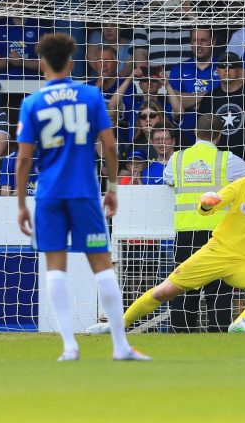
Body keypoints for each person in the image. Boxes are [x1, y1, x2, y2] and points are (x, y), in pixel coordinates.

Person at [88, 147, 245, 336]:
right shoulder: (243, 185)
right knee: (163, 292)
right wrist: (206, 203)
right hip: (216, 252)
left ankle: (241, 322)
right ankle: (116, 325)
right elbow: (211, 206)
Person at [16, 32, 149, 362]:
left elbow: (23, 159)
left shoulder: (32, 103)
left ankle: (69, 346)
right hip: (84, 192)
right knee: (102, 267)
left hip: (49, 195)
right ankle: (120, 346)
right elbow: (111, 146)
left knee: (55, 268)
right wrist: (114, 188)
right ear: (72, 63)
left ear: (43, 64)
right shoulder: (90, 96)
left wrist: (20, 204)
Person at [162, 114, 245, 332]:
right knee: (219, 288)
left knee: (183, 284)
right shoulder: (227, 160)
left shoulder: (177, 158)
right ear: (219, 135)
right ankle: (219, 330)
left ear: (195, 133)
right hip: (218, 234)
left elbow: (168, 178)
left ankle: (181, 333)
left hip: (186, 232)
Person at [198, 52, 245, 166]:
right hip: (217, 165)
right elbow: (201, 137)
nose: (226, 69)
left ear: (239, 70)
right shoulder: (209, 99)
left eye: (231, 66)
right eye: (222, 65)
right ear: (217, 70)